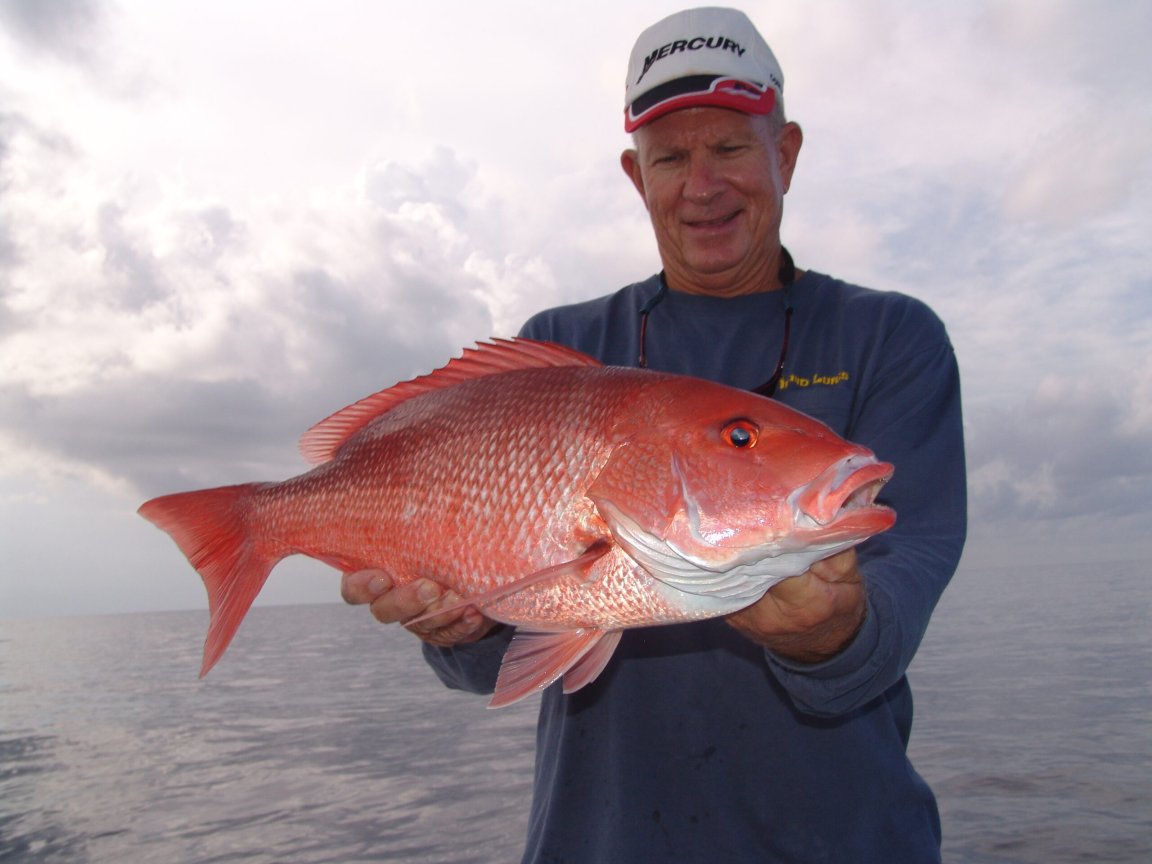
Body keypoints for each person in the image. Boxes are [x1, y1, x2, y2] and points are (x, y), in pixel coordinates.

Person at [342, 7, 966, 863]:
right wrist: (461, 629)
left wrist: (832, 635)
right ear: (637, 178)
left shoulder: (890, 339)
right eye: (670, 158)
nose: (701, 186)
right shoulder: (563, 349)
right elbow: (490, 662)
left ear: (785, 154)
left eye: (731, 147)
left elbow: (895, 605)